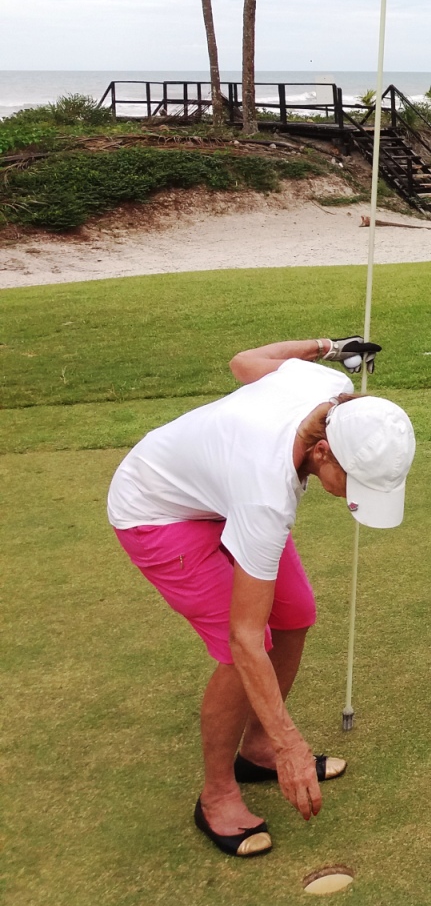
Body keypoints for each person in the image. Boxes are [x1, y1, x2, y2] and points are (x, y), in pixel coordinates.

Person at [106, 338, 414, 857]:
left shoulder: (329, 387)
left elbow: (243, 363)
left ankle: (257, 750)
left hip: (216, 492)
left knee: (296, 613)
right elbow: (245, 638)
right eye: (355, 481)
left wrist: (327, 346)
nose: (353, 495)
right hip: (157, 511)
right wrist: (294, 744)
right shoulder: (265, 494)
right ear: (322, 453)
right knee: (244, 650)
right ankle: (217, 795)